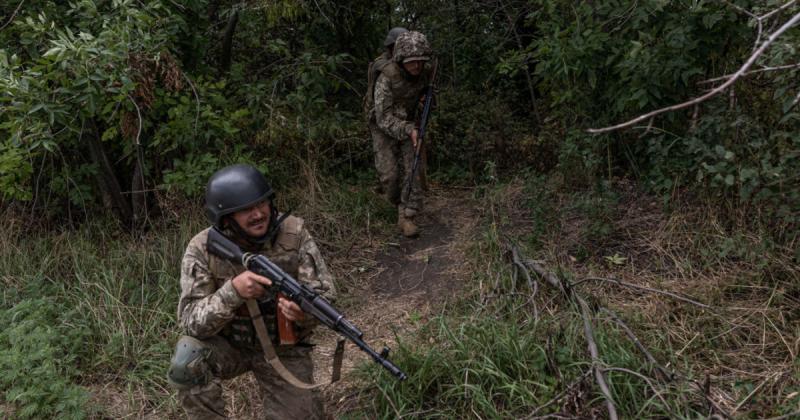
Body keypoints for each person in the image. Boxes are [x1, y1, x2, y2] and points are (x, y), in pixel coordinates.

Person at [167, 164, 335, 420]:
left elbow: (326, 297)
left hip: (284, 347)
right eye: (245, 210)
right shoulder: (202, 248)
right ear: (225, 218)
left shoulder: (293, 234)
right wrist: (232, 292)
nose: (257, 214)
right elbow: (190, 322)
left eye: (261, 204)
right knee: (187, 359)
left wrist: (304, 313)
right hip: (230, 346)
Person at [368, 30, 434, 237]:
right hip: (384, 124)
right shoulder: (386, 78)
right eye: (411, 62)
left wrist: (428, 102)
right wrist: (407, 129)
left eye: (420, 61)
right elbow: (383, 118)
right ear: (400, 59)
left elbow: (427, 96)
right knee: (390, 175)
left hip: (409, 122)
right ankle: (392, 198)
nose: (416, 66)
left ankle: (407, 215)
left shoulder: (425, 72)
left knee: (412, 167)